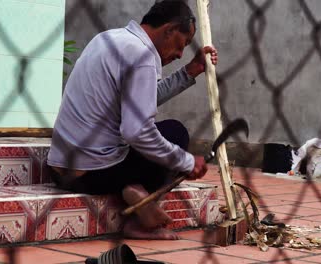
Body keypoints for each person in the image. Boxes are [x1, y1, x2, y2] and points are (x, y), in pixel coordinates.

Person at [47, 0, 218, 240]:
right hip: (94, 173)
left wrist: (188, 72)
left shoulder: (108, 38)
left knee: (162, 137)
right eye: (183, 43)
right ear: (169, 30)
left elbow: (140, 99)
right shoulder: (143, 55)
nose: (180, 54)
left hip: (59, 167)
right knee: (175, 133)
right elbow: (136, 131)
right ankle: (137, 216)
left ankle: (134, 189)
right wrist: (186, 161)